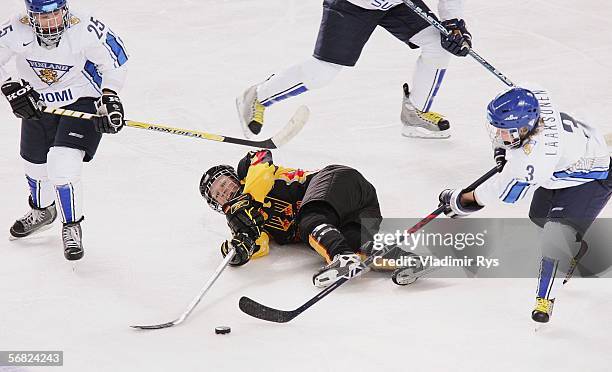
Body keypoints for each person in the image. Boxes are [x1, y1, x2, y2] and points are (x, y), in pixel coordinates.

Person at [437, 87, 612, 323]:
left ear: (523, 128)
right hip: (565, 167)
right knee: (538, 218)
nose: (498, 135)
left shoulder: (534, 162)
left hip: (592, 180)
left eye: (504, 131)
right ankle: (575, 250)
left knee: (554, 236)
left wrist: (460, 201)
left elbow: (499, 193)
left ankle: (545, 299)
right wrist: (502, 151)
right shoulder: (535, 100)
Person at [1, 0, 129, 260]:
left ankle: (71, 225)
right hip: (38, 102)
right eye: (41, 17)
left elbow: (116, 58)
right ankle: (43, 211)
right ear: (30, 16)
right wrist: (10, 87)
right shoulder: (16, 28)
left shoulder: (85, 27)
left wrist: (109, 97)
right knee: (33, 163)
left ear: (65, 11)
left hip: (83, 98)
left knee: (62, 164)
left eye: (55, 15)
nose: (50, 23)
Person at [236, 0, 470, 140]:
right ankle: (258, 96)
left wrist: (454, 24)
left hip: (397, 4)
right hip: (351, 6)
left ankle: (415, 112)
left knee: (439, 46)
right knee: (322, 72)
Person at [200, 150, 411, 287]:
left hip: (338, 181)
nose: (225, 191)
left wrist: (249, 200)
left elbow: (263, 160)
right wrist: (238, 248)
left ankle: (341, 256)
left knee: (309, 219)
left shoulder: (250, 171)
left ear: (235, 177)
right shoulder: (250, 221)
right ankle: (408, 259)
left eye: (224, 184)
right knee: (357, 243)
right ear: (218, 205)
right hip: (356, 212)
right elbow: (259, 245)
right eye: (218, 194)